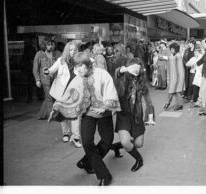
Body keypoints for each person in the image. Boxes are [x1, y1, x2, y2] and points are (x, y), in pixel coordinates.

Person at [75, 53, 121, 186]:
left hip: (103, 113)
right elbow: (71, 95)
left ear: (88, 65)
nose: (78, 70)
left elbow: (110, 90)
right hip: (87, 114)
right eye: (76, 67)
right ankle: (104, 175)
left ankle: (86, 162)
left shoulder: (102, 74)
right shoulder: (78, 77)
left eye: (80, 66)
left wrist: (106, 107)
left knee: (107, 141)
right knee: (87, 142)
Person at [111, 57, 155, 172]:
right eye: (133, 67)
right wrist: (125, 70)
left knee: (138, 144)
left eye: (138, 68)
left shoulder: (142, 83)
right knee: (126, 142)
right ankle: (139, 159)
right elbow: (116, 74)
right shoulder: (122, 79)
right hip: (124, 115)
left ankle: (117, 146)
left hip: (137, 116)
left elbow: (149, 102)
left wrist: (150, 117)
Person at [45, 41, 82, 147]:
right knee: (62, 113)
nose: (73, 51)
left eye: (75, 50)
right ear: (67, 50)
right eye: (70, 49)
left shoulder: (79, 61)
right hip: (61, 92)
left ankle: (76, 137)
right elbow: (51, 70)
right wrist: (47, 71)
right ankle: (66, 133)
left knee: (75, 114)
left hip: (74, 92)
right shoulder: (60, 61)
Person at [33, 37, 59, 119]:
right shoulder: (39, 54)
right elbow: (35, 68)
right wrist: (37, 80)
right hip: (45, 80)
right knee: (49, 98)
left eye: (51, 44)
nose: (51, 46)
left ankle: (40, 115)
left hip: (55, 79)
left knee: (48, 98)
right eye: (48, 45)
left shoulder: (55, 54)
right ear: (44, 45)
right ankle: (51, 116)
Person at [163, 42, 185, 111]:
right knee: (176, 91)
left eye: (172, 49)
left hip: (177, 77)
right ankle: (178, 105)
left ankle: (169, 103)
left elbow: (170, 59)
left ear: (175, 49)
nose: (171, 51)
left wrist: (163, 57)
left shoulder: (177, 56)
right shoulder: (177, 55)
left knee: (173, 91)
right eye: (171, 49)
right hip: (176, 76)